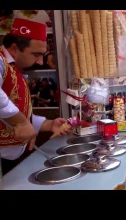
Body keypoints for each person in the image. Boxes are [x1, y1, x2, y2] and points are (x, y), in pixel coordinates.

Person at [0, 18, 72, 175]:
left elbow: (18, 109)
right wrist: (19, 122)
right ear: (14, 49)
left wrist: (47, 124)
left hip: (15, 159)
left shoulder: (15, 68)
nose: (40, 62)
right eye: (36, 55)